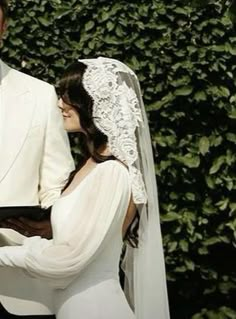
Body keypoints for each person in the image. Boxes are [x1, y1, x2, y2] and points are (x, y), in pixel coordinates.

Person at [0, 57, 170, 319]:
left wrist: (4, 256)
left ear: (92, 103)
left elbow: (66, 261)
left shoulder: (112, 172)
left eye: (69, 97)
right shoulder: (91, 166)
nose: (59, 104)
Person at [0, 0, 74, 317]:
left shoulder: (41, 95)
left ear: (3, 29)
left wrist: (50, 222)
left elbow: (56, 181)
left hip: (17, 277)